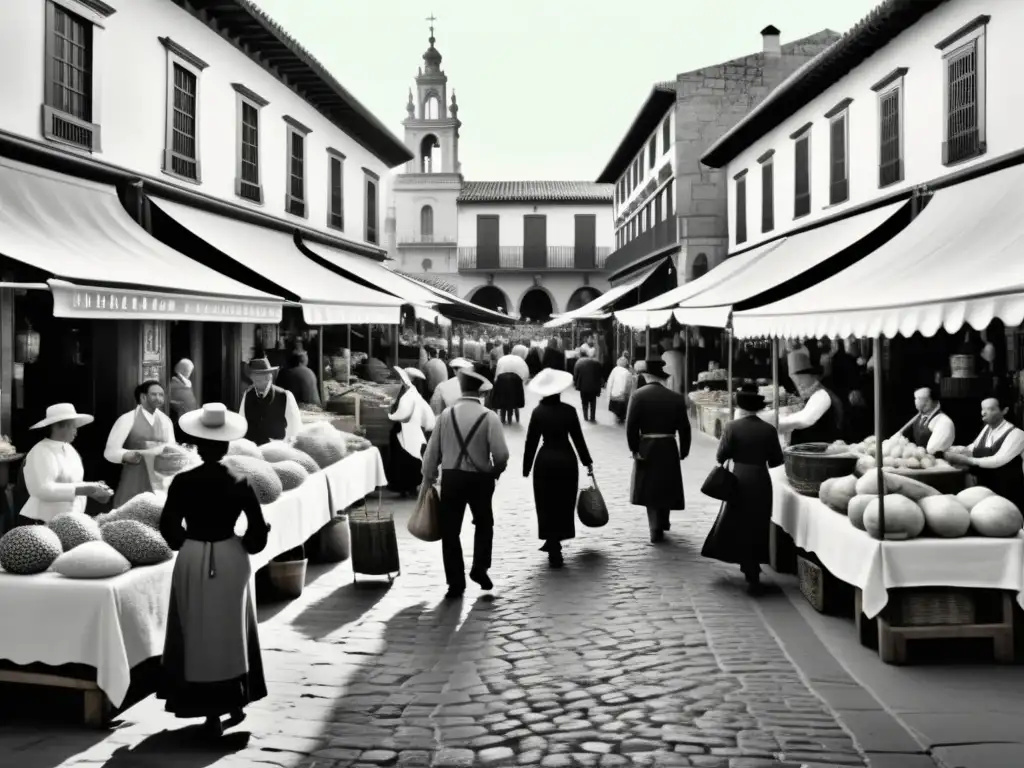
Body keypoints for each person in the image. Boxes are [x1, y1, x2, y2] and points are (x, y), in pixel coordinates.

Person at [158, 402, 270, 737]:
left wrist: (187, 542)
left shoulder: (182, 481)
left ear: (197, 444)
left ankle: (204, 709)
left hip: (192, 554)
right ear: (225, 445)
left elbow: (168, 527)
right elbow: (257, 533)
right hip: (230, 556)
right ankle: (234, 701)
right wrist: (244, 545)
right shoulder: (241, 480)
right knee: (231, 630)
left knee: (193, 626)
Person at [422, 368, 508, 598]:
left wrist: (428, 477)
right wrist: (494, 472)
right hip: (480, 480)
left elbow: (431, 455)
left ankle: (455, 582)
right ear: (480, 392)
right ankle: (480, 568)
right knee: (484, 523)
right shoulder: (489, 416)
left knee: (450, 530)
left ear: (461, 390)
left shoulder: (446, 416)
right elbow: (501, 455)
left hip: (451, 479)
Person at [701, 385, 784, 595]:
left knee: (738, 520)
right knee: (758, 523)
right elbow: (776, 461)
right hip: (761, 480)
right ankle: (753, 566)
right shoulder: (769, 429)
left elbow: (721, 456)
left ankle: (747, 565)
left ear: (740, 407)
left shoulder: (732, 427)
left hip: (739, 478)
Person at [523, 369, 593, 568]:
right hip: (567, 460)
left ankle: (551, 541)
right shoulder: (569, 411)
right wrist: (587, 461)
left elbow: (531, 442)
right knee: (564, 501)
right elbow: (578, 439)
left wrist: (526, 467)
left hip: (544, 460)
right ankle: (558, 539)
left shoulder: (538, 412)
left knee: (545, 502)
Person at [626, 360, 691, 543]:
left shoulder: (638, 396)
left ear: (646, 376)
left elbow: (631, 426)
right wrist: (684, 449)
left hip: (647, 445)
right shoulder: (676, 397)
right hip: (669, 445)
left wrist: (633, 448)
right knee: (666, 484)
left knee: (650, 487)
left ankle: (654, 526)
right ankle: (663, 521)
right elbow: (685, 428)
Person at [20, 404, 113, 525]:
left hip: (69, 520)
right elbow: (42, 490)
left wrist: (96, 491)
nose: (76, 431)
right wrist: (87, 489)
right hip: (43, 522)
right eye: (73, 426)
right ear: (59, 426)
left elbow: (73, 483)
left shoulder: (70, 449)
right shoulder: (40, 451)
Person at [105, 380, 175, 507]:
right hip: (134, 477)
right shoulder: (126, 419)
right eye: (154, 394)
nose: (158, 398)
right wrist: (126, 455)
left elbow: (172, 448)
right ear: (143, 397)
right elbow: (110, 451)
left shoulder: (166, 421)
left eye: (161, 395)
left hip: (159, 479)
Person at [947, 397, 1024, 511]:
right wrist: (953, 450)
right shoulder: (987, 429)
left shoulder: (1017, 434)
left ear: (1004, 411)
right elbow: (973, 448)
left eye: (990, 409)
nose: (983, 412)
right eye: (982, 409)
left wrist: (967, 460)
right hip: (986, 488)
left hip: (1007, 492)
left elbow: (999, 460)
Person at [759, 349, 843, 446]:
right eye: (794, 379)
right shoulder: (805, 397)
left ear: (814, 376)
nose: (798, 383)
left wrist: (767, 422)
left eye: (801, 377)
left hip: (821, 453)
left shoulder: (822, 395)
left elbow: (802, 420)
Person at [386, 367, 430, 498]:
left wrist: (390, 415)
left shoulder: (406, 392)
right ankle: (411, 486)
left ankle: (405, 487)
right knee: (412, 457)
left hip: (403, 430)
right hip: (413, 430)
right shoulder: (415, 391)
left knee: (403, 458)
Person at [238, 358, 303, 445]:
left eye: (263, 375)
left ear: (269, 376)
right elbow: (241, 424)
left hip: (276, 451)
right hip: (252, 450)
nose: (255, 379)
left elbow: (295, 429)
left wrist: (286, 446)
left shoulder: (284, 396)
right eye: (254, 376)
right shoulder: (248, 395)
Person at [888, 386, 955, 456]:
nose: (915, 401)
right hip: (922, 459)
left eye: (918, 398)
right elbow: (898, 437)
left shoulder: (943, 421)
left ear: (928, 402)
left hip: (937, 462)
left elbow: (933, 449)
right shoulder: (919, 417)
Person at [492, 348, 529, 425]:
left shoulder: (501, 360)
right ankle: (513, 411)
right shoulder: (520, 361)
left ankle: (502, 415)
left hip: (502, 382)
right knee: (514, 393)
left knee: (502, 394)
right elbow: (524, 375)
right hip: (515, 384)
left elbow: (497, 375)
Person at [168, 359, 198, 444]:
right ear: (181, 370)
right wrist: (176, 404)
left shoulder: (187, 382)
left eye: (189, 371)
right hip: (180, 418)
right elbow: (167, 400)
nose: (189, 373)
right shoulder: (172, 383)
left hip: (190, 418)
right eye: (187, 370)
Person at [573, 347, 603, 423]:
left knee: (584, 402)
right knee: (593, 402)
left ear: (580, 355)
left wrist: (575, 383)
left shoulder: (578, 362)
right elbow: (600, 374)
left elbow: (575, 375)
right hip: (594, 386)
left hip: (583, 387)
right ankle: (592, 417)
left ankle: (585, 417)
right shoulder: (596, 362)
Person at [606, 357, 634, 422]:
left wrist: (609, 394)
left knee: (616, 409)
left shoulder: (614, 370)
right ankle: (621, 417)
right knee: (622, 411)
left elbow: (610, 382)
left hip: (614, 396)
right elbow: (629, 385)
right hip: (622, 396)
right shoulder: (627, 372)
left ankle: (618, 417)